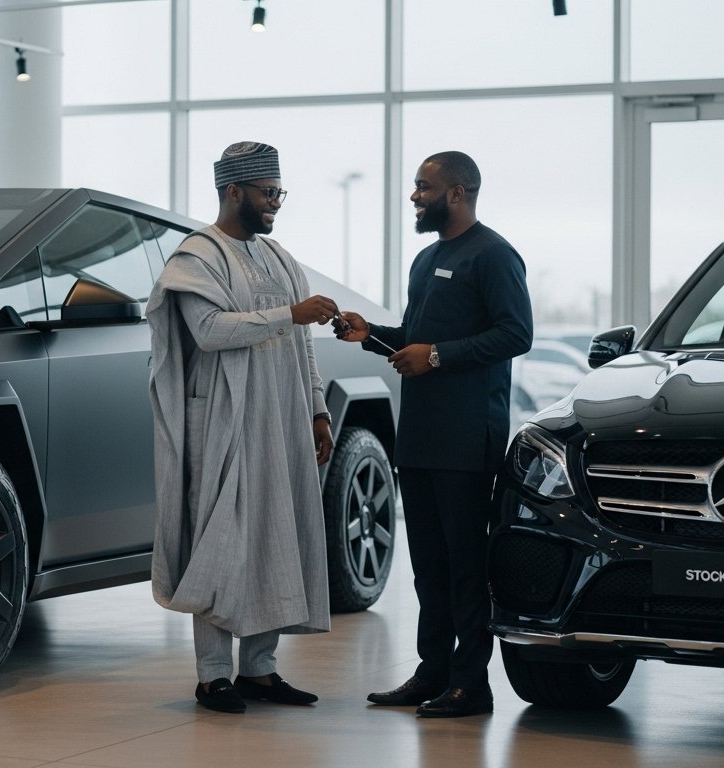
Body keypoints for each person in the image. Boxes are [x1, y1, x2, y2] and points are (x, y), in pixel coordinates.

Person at [336, 151, 532, 717]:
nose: (415, 195)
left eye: (424, 187)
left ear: (458, 192)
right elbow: (414, 342)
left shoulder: (494, 255)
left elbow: (516, 334)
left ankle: (472, 683)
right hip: (419, 439)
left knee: (465, 565)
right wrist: (369, 333)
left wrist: (439, 356)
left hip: (467, 440)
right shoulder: (426, 260)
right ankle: (434, 671)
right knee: (428, 566)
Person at [147, 141, 339, 714]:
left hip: (280, 421)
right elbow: (208, 330)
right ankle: (212, 676)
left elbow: (302, 344)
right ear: (234, 191)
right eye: (267, 192)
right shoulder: (197, 256)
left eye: (279, 192)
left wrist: (317, 407)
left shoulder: (278, 257)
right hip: (224, 422)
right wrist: (288, 315)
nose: (275, 202)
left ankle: (259, 670)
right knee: (223, 544)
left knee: (273, 535)